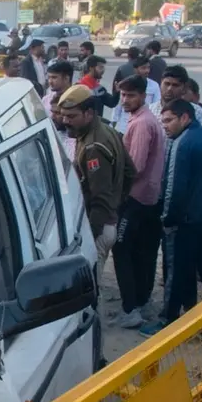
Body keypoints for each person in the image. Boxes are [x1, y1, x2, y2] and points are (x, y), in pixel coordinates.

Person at [139, 99, 202, 336]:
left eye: (169, 120)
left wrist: (167, 219)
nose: (165, 126)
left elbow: (174, 187)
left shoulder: (183, 143)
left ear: (185, 118)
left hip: (188, 222)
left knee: (177, 272)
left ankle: (167, 320)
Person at [113, 75, 167, 329]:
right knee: (142, 252)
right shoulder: (142, 120)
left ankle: (130, 308)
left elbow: (134, 166)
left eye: (131, 95)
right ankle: (141, 300)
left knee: (122, 249)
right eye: (123, 95)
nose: (125, 100)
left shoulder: (142, 124)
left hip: (136, 197)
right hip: (148, 198)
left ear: (143, 96)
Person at [57, 85, 132, 268]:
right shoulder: (105, 129)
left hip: (98, 228)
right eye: (63, 115)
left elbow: (100, 198)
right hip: (108, 221)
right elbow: (129, 172)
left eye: (72, 116)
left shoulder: (94, 147)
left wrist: (89, 236)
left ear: (89, 113)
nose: (65, 120)